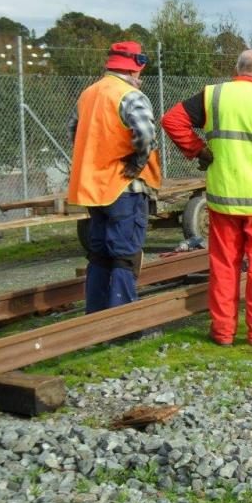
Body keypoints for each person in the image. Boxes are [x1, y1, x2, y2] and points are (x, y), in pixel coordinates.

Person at [161, 49, 252, 349]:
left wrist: (198, 149)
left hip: (223, 198)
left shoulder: (213, 96)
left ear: (236, 69)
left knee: (224, 265)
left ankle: (223, 332)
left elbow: (172, 121)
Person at [67, 41, 161, 313]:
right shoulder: (129, 95)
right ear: (135, 68)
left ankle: (95, 314)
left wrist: (94, 160)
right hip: (124, 186)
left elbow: (74, 130)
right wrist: (137, 162)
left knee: (99, 253)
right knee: (124, 253)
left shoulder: (88, 94)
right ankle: (123, 321)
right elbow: (145, 135)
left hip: (94, 188)